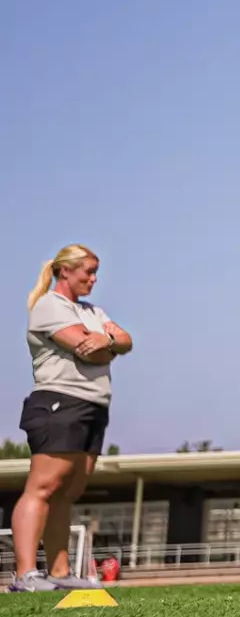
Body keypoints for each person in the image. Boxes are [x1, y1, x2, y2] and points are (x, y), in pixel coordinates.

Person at [11, 246, 130, 593]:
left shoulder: (92, 310)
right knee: (44, 487)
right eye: (87, 272)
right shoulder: (49, 306)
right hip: (58, 403)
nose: (93, 279)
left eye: (96, 273)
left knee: (69, 491)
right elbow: (89, 352)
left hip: (93, 405)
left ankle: (60, 573)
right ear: (65, 271)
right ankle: (24, 574)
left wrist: (107, 338)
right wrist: (109, 342)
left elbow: (125, 340)